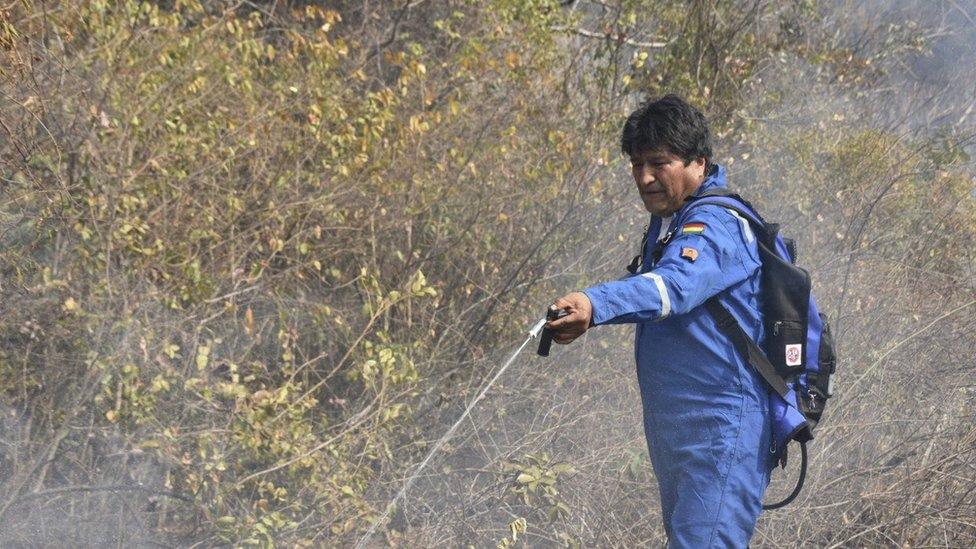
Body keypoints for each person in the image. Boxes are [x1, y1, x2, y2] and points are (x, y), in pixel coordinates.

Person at [547, 95, 773, 547]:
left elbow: (673, 288)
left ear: (698, 163)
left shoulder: (716, 224)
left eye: (659, 163)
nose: (644, 178)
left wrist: (595, 305)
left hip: (722, 425)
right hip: (679, 428)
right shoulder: (670, 219)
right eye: (636, 163)